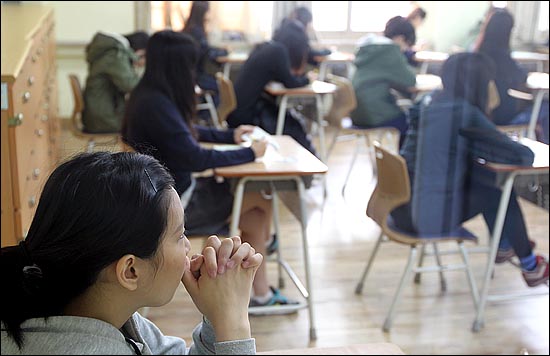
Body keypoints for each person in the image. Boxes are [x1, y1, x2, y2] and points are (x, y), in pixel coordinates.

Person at [0, 151, 263, 354]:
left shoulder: (89, 306)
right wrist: (234, 322)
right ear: (130, 270)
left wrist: (219, 318)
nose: (188, 248)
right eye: (180, 235)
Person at [122, 30, 300, 314]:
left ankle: (259, 288)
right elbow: (195, 156)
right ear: (179, 66)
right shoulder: (157, 104)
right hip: (172, 205)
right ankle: (259, 288)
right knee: (259, 199)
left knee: (256, 211)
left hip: (166, 193)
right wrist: (250, 152)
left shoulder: (151, 95)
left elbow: (186, 134)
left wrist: (231, 136)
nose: (195, 72)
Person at [391, 52, 549, 287]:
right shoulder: (463, 113)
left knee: (487, 180)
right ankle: (530, 265)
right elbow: (522, 156)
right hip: (422, 216)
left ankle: (506, 246)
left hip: (399, 205)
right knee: (497, 193)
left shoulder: (430, 101)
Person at [226, 23, 316, 155]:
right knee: (295, 126)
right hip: (247, 116)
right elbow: (291, 82)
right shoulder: (278, 51)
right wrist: (308, 79)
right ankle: (309, 167)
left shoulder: (265, 47)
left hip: (237, 111)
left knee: (289, 120)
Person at [476, 8, 549, 143]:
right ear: (507, 32)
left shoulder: (478, 55)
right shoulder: (503, 58)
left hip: (481, 116)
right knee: (545, 107)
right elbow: (522, 77)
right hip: (501, 117)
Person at [350, 16, 416, 145]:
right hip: (374, 113)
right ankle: (403, 162)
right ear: (401, 39)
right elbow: (410, 80)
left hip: (357, 111)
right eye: (406, 46)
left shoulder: (368, 47)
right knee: (412, 122)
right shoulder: (390, 50)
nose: (404, 50)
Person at [82, 31, 149, 133]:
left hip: (98, 114)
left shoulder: (111, 51)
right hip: (105, 119)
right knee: (148, 123)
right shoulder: (116, 55)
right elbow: (130, 85)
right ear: (140, 52)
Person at [182, 1, 227, 107]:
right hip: (196, 77)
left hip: (188, 75)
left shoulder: (188, 29)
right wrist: (224, 51)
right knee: (219, 87)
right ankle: (208, 118)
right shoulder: (198, 32)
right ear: (203, 12)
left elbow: (206, 49)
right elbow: (209, 52)